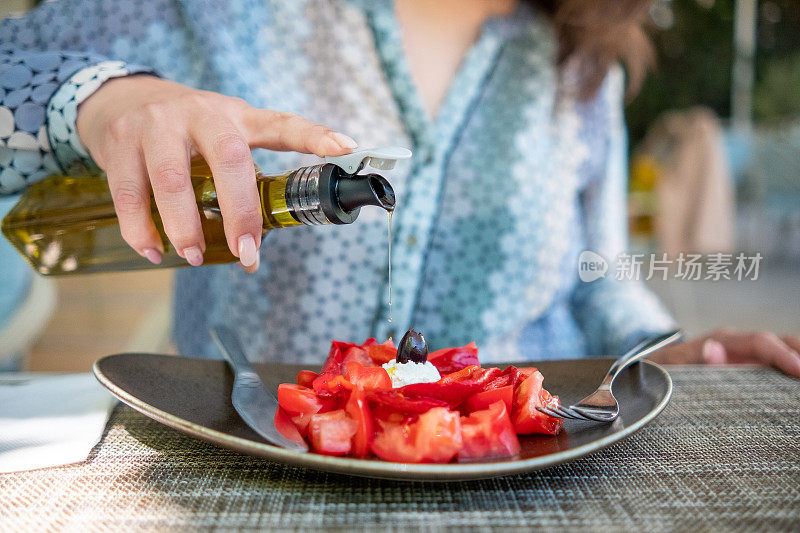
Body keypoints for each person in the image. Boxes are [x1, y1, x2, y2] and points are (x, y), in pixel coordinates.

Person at [1, 0, 798, 375]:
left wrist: (661, 351)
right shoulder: (217, 13)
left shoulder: (579, 70)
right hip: (258, 482)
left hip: (530, 481)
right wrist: (108, 102)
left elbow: (596, 281)